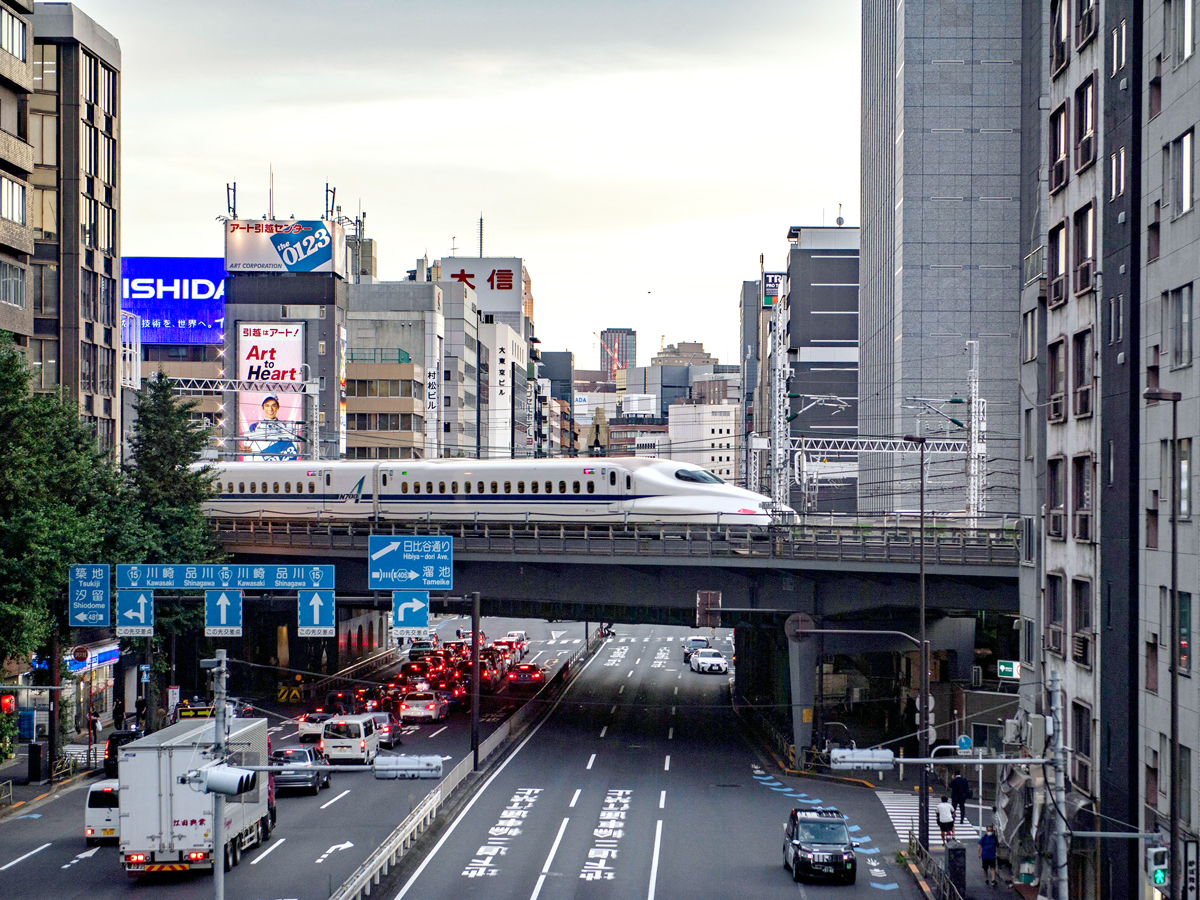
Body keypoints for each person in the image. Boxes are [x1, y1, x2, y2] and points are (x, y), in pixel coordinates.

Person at [245, 393, 300, 460]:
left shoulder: (286, 426)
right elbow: (245, 444)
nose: (270, 409)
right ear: (263, 407)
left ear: (278, 407)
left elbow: (296, 448)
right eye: (267, 406)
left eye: (273, 405)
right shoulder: (254, 427)